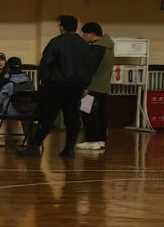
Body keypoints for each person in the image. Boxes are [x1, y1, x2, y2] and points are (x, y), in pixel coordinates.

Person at [19, 15, 102, 159]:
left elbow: (46, 63)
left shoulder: (56, 42)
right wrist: (84, 85)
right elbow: (89, 68)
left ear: (62, 27)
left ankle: (34, 147)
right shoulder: (84, 45)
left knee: (47, 117)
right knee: (72, 119)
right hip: (76, 87)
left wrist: (45, 80)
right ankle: (69, 149)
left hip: (55, 86)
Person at [78, 22, 115, 151]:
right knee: (100, 114)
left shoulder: (97, 48)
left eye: (84, 33)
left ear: (91, 34)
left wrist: (84, 86)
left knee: (88, 113)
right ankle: (100, 140)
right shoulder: (108, 47)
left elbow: (90, 69)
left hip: (92, 86)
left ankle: (91, 140)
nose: (83, 36)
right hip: (103, 87)